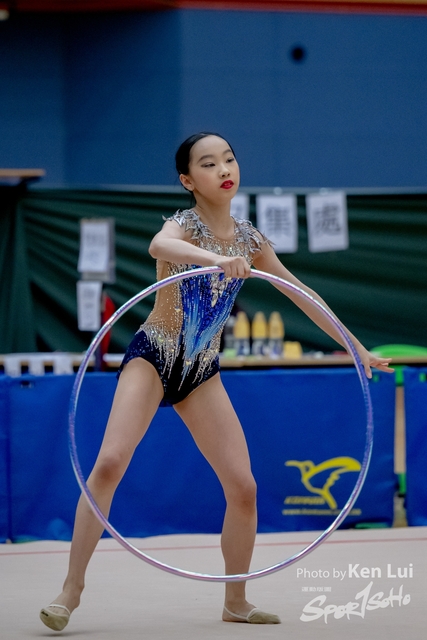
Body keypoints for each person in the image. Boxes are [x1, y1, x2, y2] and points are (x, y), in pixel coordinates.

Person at [40, 132, 393, 631]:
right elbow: (159, 245)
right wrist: (213, 259)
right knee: (110, 462)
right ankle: (71, 589)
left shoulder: (251, 240)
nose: (224, 169)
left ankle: (236, 600)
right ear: (188, 180)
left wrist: (357, 347)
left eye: (228, 159)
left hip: (201, 369)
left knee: (243, 487)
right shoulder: (183, 224)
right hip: (155, 356)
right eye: (208, 164)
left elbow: (301, 294)